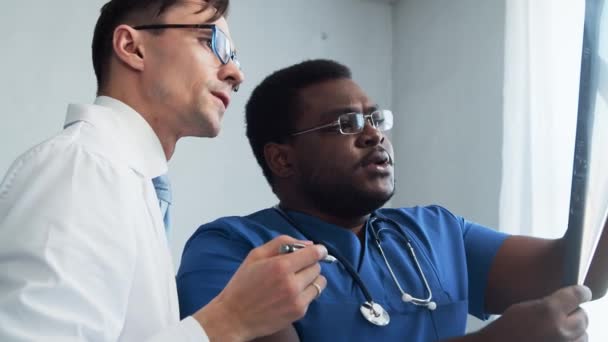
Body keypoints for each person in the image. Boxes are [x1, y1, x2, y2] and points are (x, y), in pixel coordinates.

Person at [176, 59, 608, 341]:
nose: (373, 134)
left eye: (375, 118)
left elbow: (574, 269)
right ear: (282, 159)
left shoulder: (435, 231)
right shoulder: (231, 250)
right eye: (346, 124)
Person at [0, 1, 328, 341]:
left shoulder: (127, 180)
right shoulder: (83, 169)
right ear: (132, 48)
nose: (236, 73)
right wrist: (228, 321)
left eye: (234, 55)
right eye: (209, 41)